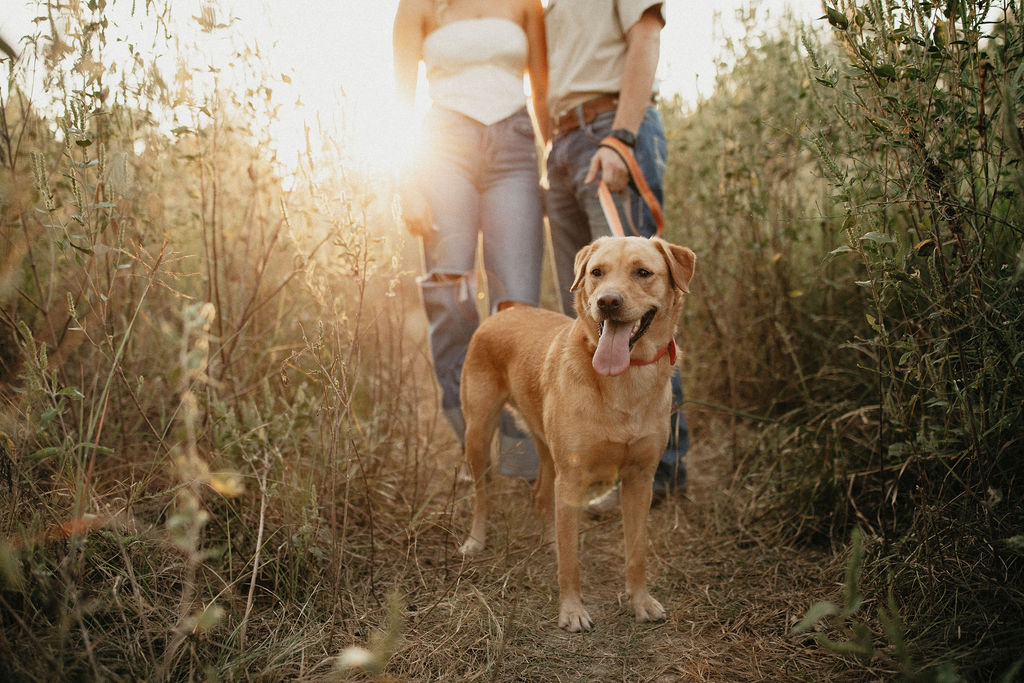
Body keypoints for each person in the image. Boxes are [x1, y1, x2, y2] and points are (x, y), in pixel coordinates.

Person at [393, 0, 547, 478]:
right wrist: (407, 181)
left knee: (517, 307)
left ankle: (522, 454)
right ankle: (474, 442)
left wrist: (553, 155)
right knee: (450, 292)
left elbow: (541, 89)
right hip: (443, 147)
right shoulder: (416, 6)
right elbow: (399, 98)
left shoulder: (527, 3)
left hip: (516, 148)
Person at [543, 0, 689, 496]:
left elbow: (646, 35)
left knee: (638, 300)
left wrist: (622, 137)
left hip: (609, 129)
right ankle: (602, 462)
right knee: (590, 305)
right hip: (562, 144)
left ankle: (659, 472)